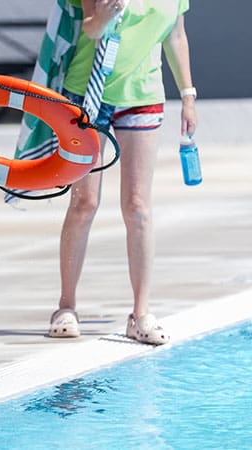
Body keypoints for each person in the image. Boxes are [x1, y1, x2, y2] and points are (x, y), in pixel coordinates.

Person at [47, 0, 196, 344]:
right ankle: (66, 305)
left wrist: (188, 96)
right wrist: (101, 18)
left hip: (143, 95)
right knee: (85, 202)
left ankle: (140, 314)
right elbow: (90, 28)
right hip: (88, 93)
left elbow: (176, 36)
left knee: (138, 206)